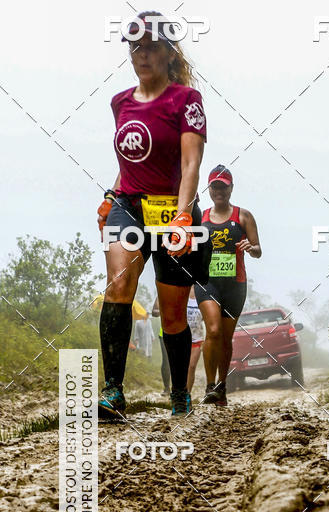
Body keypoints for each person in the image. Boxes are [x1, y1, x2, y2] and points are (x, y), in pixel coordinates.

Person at [96, 11, 211, 419]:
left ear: (168, 53)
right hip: (128, 207)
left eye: (151, 47)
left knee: (174, 313)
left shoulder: (186, 100)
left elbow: (191, 163)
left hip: (173, 211)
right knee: (119, 287)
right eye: (135, 47)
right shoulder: (120, 103)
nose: (142, 55)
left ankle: (179, 390)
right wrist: (111, 196)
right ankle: (112, 392)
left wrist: (182, 217)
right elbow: (130, 162)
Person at [194, 166, 261, 407]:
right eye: (215, 186)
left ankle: (222, 386)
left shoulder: (243, 216)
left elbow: (258, 251)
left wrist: (249, 247)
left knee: (225, 337)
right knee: (212, 330)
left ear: (231, 188)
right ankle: (210, 386)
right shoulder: (200, 217)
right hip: (207, 282)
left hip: (235, 285)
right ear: (209, 189)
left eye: (224, 186)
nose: (219, 191)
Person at [186, 287, 205, 391]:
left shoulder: (202, 299)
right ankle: (179, 393)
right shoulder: (183, 297)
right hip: (183, 339)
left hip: (197, 339)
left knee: (191, 367)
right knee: (181, 368)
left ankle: (188, 393)